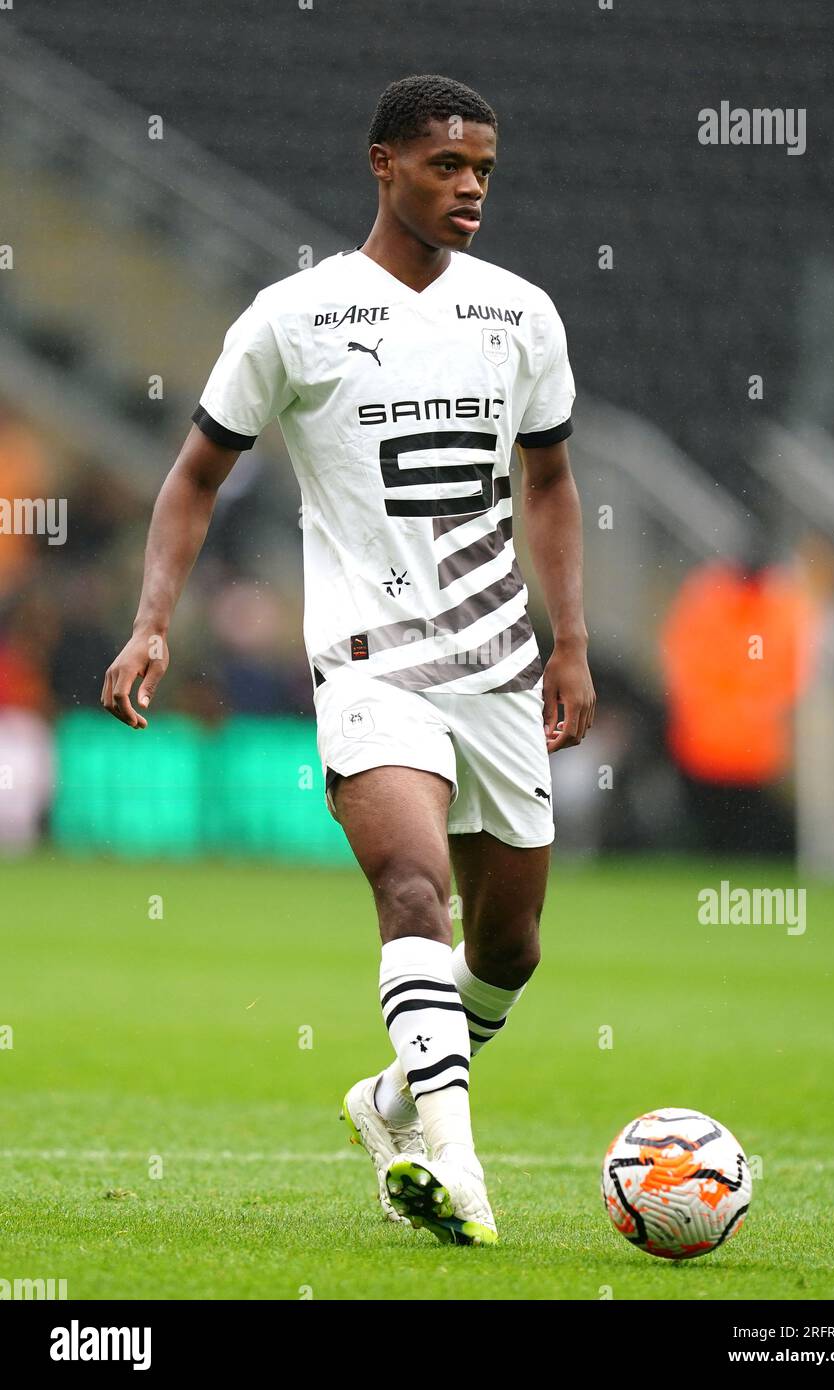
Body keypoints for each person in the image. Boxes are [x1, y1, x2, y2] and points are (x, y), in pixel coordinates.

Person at [101, 74, 595, 1246]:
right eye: (445, 165)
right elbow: (195, 475)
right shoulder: (294, 317)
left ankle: (388, 1101)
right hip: (368, 663)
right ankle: (456, 1164)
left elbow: (553, 480)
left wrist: (569, 643)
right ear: (383, 165)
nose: (471, 185)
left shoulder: (520, 313)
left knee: (510, 945)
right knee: (410, 886)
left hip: (496, 664)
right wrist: (152, 618)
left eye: (483, 166)